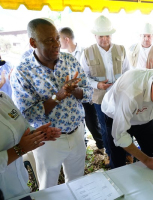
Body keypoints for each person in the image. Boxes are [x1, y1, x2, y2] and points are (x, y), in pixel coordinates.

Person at [10, 18, 93, 190]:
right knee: (49, 187)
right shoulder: (22, 72)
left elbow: (88, 93)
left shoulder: (69, 60)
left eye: (57, 38)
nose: (57, 44)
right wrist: (58, 96)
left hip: (77, 133)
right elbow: (28, 114)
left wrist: (74, 90)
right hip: (48, 141)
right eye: (49, 40)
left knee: (77, 183)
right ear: (33, 42)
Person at [80, 15, 130, 160]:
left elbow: (128, 71)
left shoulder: (121, 49)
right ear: (95, 36)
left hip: (119, 95)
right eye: (101, 36)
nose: (104, 39)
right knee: (105, 127)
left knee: (123, 124)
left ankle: (126, 152)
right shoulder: (87, 52)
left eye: (107, 36)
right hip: (100, 97)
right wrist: (97, 84)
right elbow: (84, 77)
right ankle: (110, 153)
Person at [0, 91, 61, 199]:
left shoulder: (3, 97)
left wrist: (37, 134)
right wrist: (19, 150)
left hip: (20, 186)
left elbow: (22, 126)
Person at [59, 27, 105, 153]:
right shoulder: (61, 57)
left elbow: (91, 74)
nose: (58, 43)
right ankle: (82, 148)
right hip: (70, 95)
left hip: (87, 93)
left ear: (66, 39)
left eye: (59, 39)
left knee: (92, 122)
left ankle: (102, 147)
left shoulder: (86, 52)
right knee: (78, 123)